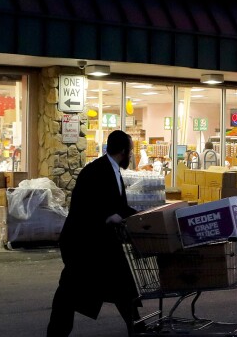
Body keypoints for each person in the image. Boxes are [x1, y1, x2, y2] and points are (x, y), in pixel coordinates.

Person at [47, 130, 140, 336]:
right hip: (83, 244)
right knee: (70, 292)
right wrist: (106, 217)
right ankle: (56, 333)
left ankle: (136, 326)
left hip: (101, 242)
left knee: (122, 284)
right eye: (131, 151)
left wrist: (144, 217)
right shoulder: (95, 171)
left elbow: (119, 206)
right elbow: (83, 207)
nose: (132, 155)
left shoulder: (112, 170)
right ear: (123, 151)